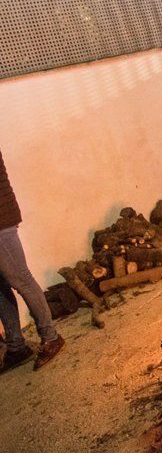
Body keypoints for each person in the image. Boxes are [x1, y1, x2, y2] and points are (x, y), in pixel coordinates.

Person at [0, 150, 65, 373]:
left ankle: (51, 337)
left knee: (21, 279)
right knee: (0, 287)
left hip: (1, 222)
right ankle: (16, 347)